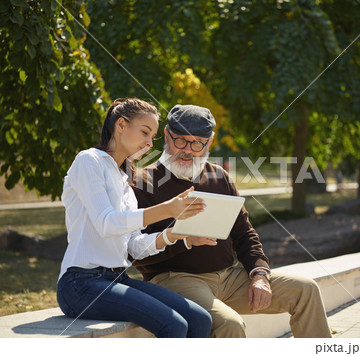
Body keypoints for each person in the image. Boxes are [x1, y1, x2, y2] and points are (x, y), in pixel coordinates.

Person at [131, 104, 332, 338]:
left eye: (198, 143)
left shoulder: (220, 177)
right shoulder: (142, 182)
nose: (188, 150)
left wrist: (259, 275)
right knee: (230, 323)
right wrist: (184, 239)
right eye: (181, 141)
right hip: (175, 280)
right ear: (166, 135)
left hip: (229, 277)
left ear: (210, 142)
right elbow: (136, 253)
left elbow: (244, 233)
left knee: (305, 290)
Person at [57, 99, 212, 338]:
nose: (149, 143)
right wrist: (168, 209)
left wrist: (175, 234)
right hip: (80, 284)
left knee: (200, 319)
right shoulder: (89, 161)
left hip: (117, 278)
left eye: (153, 137)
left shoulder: (125, 182)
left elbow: (133, 246)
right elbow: (107, 223)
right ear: (121, 125)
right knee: (175, 325)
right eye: (145, 132)